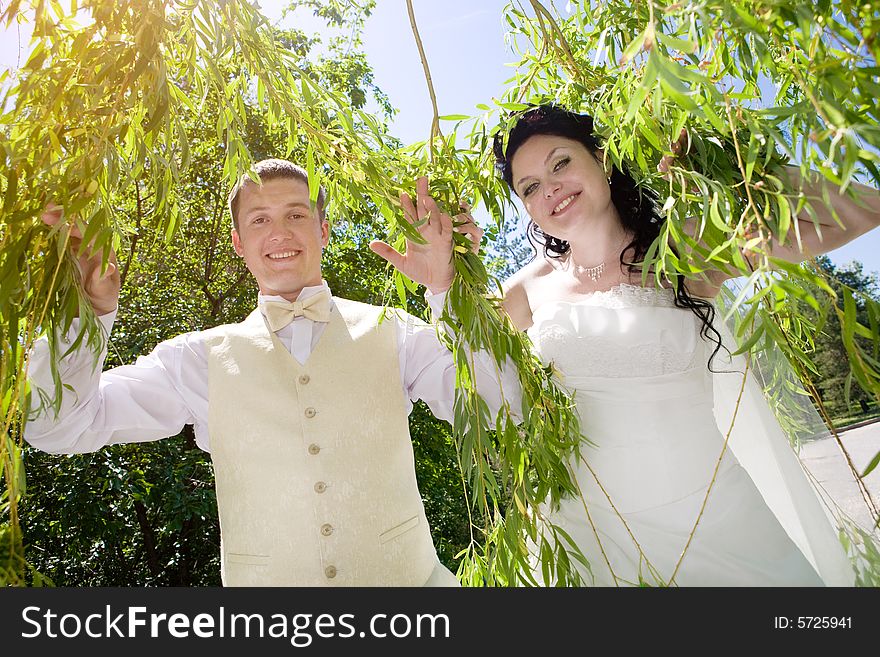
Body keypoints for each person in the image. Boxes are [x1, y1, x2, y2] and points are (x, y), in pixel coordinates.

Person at [24, 158, 510, 587]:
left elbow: (500, 408)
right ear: (238, 242)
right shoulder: (197, 359)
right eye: (260, 220)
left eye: (296, 215)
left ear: (322, 230)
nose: (280, 233)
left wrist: (450, 290)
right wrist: (82, 312)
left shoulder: (397, 332)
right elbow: (60, 424)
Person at [487, 104, 880, 586]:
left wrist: (737, 169)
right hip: (592, 539)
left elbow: (855, 212)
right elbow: (462, 371)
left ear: (603, 156)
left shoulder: (684, 248)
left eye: (561, 162)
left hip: (715, 523)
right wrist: (445, 280)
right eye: (528, 187)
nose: (548, 188)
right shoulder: (522, 292)